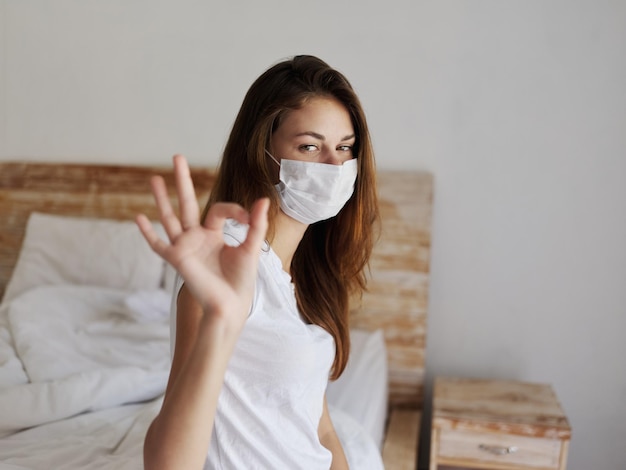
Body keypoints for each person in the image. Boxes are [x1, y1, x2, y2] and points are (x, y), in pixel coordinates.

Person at [136, 55, 379, 470]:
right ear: (262, 150)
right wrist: (220, 315)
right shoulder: (227, 268)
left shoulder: (308, 275)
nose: (336, 167)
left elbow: (318, 428)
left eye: (344, 147)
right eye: (309, 146)